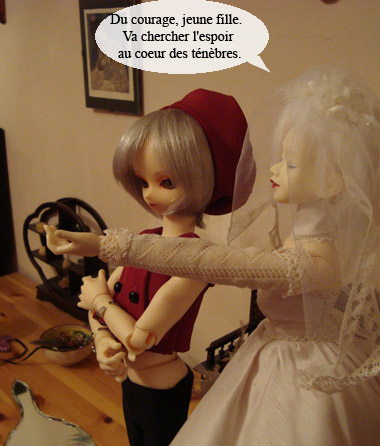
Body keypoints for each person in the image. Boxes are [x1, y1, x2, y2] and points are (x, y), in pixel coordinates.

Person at [47, 66, 380, 446]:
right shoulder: (300, 242)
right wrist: (103, 320)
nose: (272, 170)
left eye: (290, 163)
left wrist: (103, 247)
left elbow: (214, 262)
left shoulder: (315, 262)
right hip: (259, 352)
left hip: (302, 374)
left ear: (333, 181)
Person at [48, 89, 253, 446]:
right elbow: (101, 302)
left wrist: (100, 303)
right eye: (143, 181)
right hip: (131, 380)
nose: (149, 194)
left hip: (163, 385)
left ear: (203, 181)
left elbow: (139, 337)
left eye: (166, 182)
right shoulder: (144, 241)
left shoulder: (196, 261)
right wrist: (102, 340)